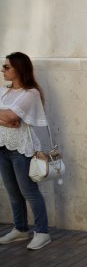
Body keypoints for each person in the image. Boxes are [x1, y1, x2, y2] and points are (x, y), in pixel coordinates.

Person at [0, 52, 51, 250]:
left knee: (29, 192)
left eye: (7, 67)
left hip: (21, 149)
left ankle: (42, 232)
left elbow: (14, 116)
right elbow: (10, 119)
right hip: (3, 147)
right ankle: (20, 229)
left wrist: (10, 118)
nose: (3, 70)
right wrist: (7, 119)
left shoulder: (31, 93)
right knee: (13, 193)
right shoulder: (4, 91)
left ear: (19, 69)